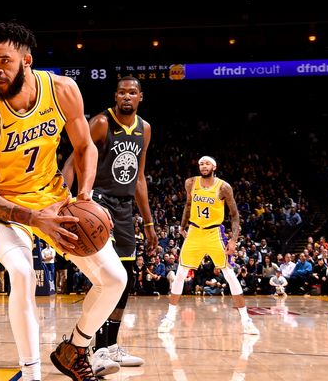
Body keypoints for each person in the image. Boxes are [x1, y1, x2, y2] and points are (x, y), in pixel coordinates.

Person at [0, 21, 127, 381]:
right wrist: (33, 218)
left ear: (27, 60)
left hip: (56, 200)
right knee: (22, 274)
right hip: (9, 210)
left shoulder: (63, 90)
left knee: (115, 278)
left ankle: (75, 349)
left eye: (4, 60)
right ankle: (31, 373)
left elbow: (85, 147)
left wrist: (85, 195)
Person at [61, 76, 157, 376]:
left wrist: (150, 221)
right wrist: (70, 197)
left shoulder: (145, 129)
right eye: (121, 92)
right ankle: (92, 348)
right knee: (106, 278)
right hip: (99, 207)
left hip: (126, 208)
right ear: (115, 95)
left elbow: (139, 177)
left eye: (132, 92)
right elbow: (77, 155)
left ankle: (110, 345)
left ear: (141, 96)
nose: (126, 96)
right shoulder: (102, 122)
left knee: (125, 279)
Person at [158, 156, 260, 335]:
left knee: (228, 273)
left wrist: (233, 240)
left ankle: (246, 321)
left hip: (214, 234)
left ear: (214, 166)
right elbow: (188, 205)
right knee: (180, 273)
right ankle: (169, 318)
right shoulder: (191, 183)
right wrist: (182, 226)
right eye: (201, 164)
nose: (203, 166)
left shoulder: (223, 187)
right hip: (195, 232)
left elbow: (235, 215)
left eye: (207, 163)